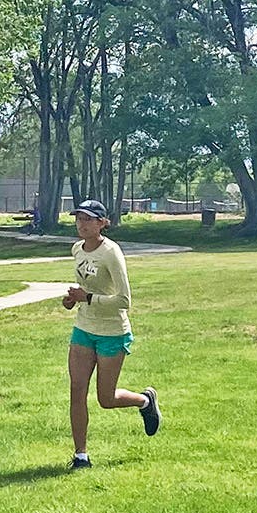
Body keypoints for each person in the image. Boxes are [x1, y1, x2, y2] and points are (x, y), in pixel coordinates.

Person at [63, 200, 160, 469]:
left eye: (89, 219)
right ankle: (81, 455)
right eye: (79, 218)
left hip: (112, 333)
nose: (82, 224)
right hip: (84, 329)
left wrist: (89, 298)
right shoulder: (76, 249)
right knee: (76, 389)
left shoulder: (111, 252)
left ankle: (144, 401)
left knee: (106, 399)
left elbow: (124, 300)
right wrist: (73, 300)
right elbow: (84, 288)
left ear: (103, 223)